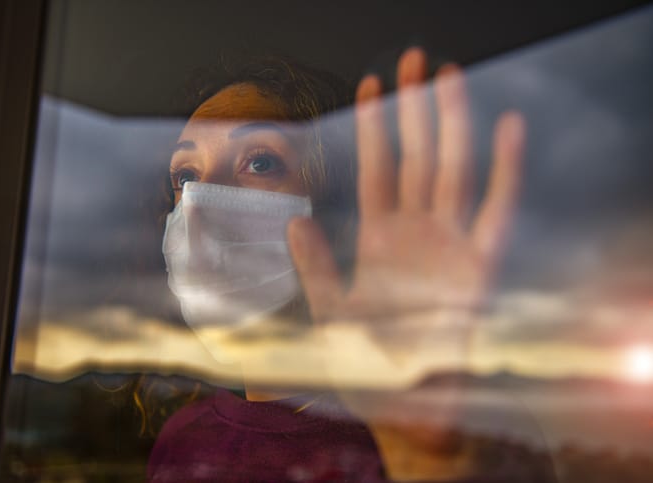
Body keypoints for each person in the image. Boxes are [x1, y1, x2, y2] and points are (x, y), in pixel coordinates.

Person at [147, 49, 557, 482]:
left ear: (340, 211)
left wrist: (433, 464)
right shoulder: (183, 440)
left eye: (261, 162)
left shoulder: (453, 429)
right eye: (186, 177)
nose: (197, 206)